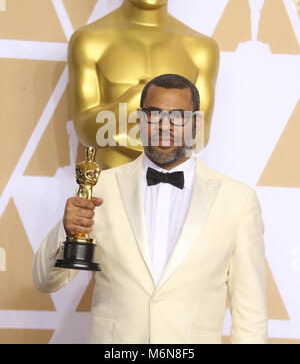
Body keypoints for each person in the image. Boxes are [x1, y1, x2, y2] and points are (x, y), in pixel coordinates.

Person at [32, 74, 268, 344]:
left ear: (196, 122)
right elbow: (45, 281)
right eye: (154, 115)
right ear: (140, 120)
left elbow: (250, 312)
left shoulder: (237, 200)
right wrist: (66, 231)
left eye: (177, 116)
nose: (164, 126)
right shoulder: (101, 188)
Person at [68, 0, 219, 169]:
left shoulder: (200, 49)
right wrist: (133, 99)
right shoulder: (90, 41)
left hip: (175, 194)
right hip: (107, 191)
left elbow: (200, 136)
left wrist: (120, 133)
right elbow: (85, 130)